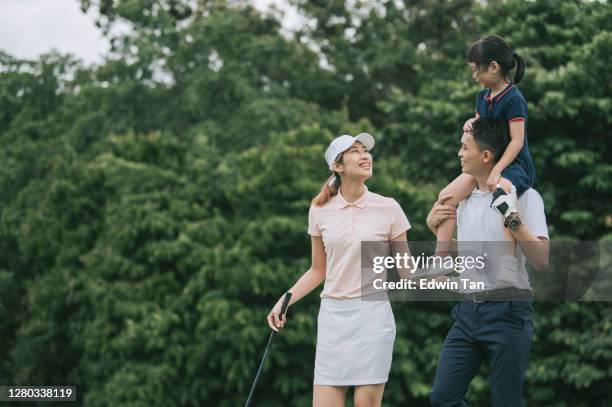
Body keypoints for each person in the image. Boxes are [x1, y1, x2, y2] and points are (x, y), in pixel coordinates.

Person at [267, 133, 411, 407]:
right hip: (333, 317)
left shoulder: (388, 207)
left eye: (365, 151)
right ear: (338, 166)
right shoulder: (319, 210)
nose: (365, 155)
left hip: (372, 317)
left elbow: (406, 271)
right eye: (355, 151)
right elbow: (317, 270)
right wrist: (283, 301)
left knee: (365, 404)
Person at [426, 117, 549, 407]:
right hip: (468, 311)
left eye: (464, 147)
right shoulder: (464, 200)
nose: (459, 153)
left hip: (509, 311)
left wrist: (514, 221)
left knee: (506, 402)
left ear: (485, 156)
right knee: (442, 398)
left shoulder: (527, 196)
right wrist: (436, 232)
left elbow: (542, 259)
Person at [435, 34, 535, 256]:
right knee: (446, 197)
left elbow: (517, 141)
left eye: (475, 70)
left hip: (513, 164)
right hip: (487, 162)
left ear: (493, 67)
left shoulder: (514, 99)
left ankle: (507, 262)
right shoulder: (482, 96)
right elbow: (480, 127)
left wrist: (498, 171)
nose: (474, 76)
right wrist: (472, 122)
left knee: (502, 194)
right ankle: (440, 259)